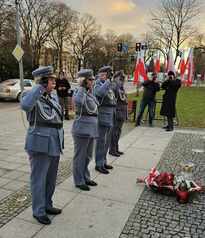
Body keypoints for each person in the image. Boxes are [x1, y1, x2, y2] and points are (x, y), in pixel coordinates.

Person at [20, 66, 64, 225]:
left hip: (54, 142)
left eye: (53, 80)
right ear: (43, 81)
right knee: (39, 179)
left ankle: (47, 204)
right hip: (39, 143)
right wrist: (39, 87)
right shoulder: (30, 94)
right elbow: (25, 106)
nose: (54, 82)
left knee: (51, 179)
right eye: (51, 80)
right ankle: (38, 210)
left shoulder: (53, 96)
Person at [72, 69, 99, 191]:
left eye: (93, 79)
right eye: (90, 79)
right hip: (82, 129)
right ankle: (79, 180)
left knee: (88, 156)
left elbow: (96, 104)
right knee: (80, 156)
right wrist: (82, 88)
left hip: (91, 128)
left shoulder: (89, 92)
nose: (92, 81)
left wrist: (89, 90)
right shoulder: (79, 91)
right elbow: (78, 101)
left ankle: (86, 177)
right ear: (83, 81)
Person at [94, 66, 116, 174]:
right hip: (102, 115)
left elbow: (112, 97)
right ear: (99, 75)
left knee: (107, 142)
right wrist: (107, 82)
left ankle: (103, 161)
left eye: (106, 75)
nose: (105, 76)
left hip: (110, 115)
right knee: (101, 141)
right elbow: (99, 93)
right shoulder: (97, 84)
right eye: (103, 74)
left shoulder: (107, 84)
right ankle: (98, 164)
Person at [109, 70, 128, 157]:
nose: (123, 81)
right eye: (121, 78)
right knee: (114, 132)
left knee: (118, 132)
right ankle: (112, 149)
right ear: (117, 78)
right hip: (117, 112)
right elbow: (112, 98)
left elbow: (124, 99)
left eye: (123, 79)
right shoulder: (114, 85)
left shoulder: (121, 87)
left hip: (121, 112)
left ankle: (116, 148)